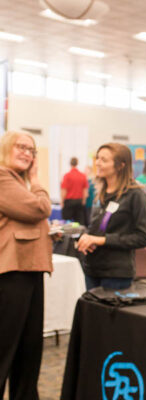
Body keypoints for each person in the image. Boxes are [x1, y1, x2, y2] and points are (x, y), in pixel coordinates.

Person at [0, 131, 53, 399]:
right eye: (21, 147)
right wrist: (36, 180)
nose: (26, 153)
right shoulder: (2, 176)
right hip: (12, 274)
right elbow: (39, 208)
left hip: (29, 269)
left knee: (29, 349)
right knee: (7, 348)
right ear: (6, 147)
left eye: (31, 150)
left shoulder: (16, 181)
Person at [77, 143, 146, 290]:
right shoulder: (100, 193)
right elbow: (96, 228)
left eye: (104, 160)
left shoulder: (135, 194)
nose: (98, 163)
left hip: (116, 274)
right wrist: (86, 238)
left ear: (120, 166)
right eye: (97, 158)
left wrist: (102, 240)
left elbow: (144, 237)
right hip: (92, 270)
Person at [60, 156, 88, 225]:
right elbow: (85, 191)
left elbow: (64, 190)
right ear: (77, 163)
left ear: (70, 164)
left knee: (66, 223)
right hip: (79, 202)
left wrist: (62, 201)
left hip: (69, 202)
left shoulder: (67, 176)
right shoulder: (83, 175)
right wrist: (83, 201)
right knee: (80, 223)